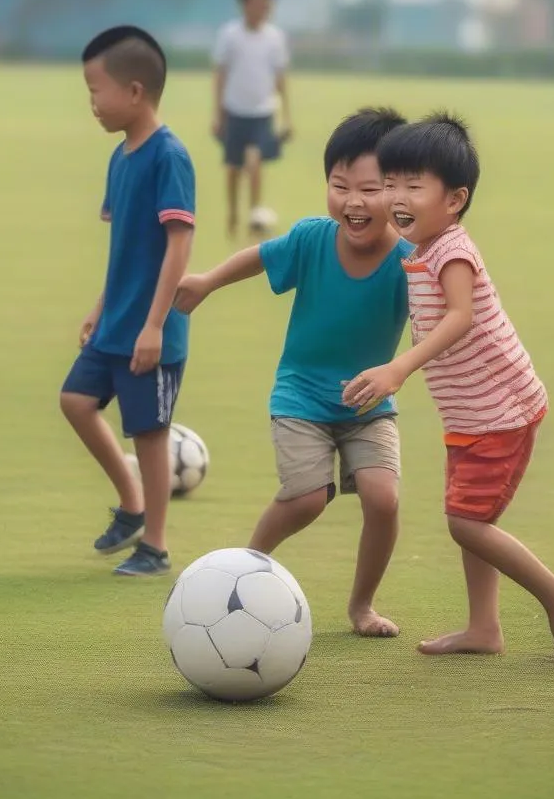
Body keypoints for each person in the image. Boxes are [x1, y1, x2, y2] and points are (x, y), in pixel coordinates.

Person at [342, 115, 554, 661]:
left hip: (499, 410)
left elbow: (459, 318)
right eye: (391, 183)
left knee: (467, 523)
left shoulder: (452, 250)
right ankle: (484, 629)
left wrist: (399, 367)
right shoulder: (422, 248)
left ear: (454, 199)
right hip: (471, 416)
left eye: (413, 185)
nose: (396, 197)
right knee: (474, 516)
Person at [175, 108, 410, 636]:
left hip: (369, 404)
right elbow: (259, 256)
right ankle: (242, 567)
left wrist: (401, 369)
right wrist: (208, 281)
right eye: (339, 185)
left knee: (384, 498)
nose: (352, 201)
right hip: (300, 396)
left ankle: (361, 606)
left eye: (370, 189)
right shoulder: (311, 239)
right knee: (305, 498)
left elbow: (436, 324)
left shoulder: (411, 261)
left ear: (400, 193)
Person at [60, 26, 196, 577]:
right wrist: (100, 305)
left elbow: (178, 245)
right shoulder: (121, 158)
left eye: (97, 90)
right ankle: (132, 502)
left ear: (135, 92)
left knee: (151, 435)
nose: (92, 102)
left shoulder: (170, 157)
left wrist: (155, 325)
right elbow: (125, 249)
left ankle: (156, 546)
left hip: (149, 332)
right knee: (74, 401)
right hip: (116, 322)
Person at [212, 0, 292, 238]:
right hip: (235, 110)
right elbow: (221, 75)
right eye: (258, 4)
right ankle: (233, 213)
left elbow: (280, 78)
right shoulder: (230, 35)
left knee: (255, 160)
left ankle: (255, 213)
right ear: (245, 4)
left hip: (263, 111)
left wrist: (286, 116)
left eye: (267, 5)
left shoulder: (275, 38)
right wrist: (218, 114)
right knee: (234, 167)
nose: (263, 10)